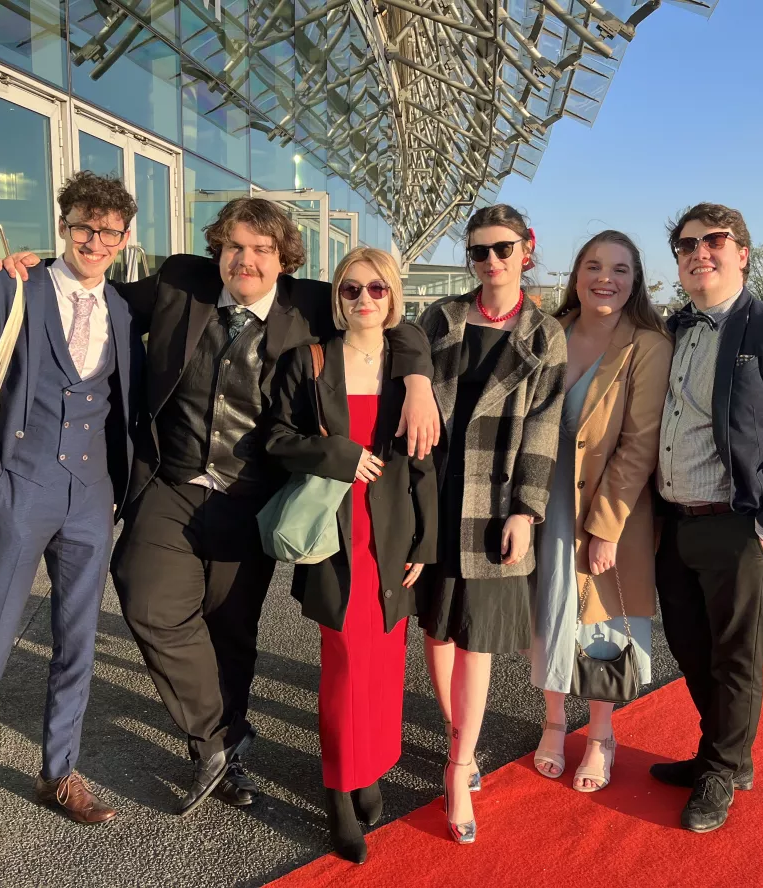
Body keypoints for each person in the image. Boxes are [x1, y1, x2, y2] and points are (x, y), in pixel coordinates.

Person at [0, 197, 439, 816]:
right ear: (217, 249)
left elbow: (390, 317)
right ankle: (220, 740)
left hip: (250, 497)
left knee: (231, 629)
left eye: (262, 249)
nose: (246, 260)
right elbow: (95, 289)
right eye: (234, 246)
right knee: (147, 598)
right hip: (171, 484)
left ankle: (219, 756)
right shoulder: (182, 281)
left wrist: (417, 380)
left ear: (283, 258)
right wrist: (38, 269)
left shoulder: (307, 303)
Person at [0, 172, 141, 888]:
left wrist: (113, 493)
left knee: (76, 644)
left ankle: (60, 773)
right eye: (85, 226)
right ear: (64, 225)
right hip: (18, 487)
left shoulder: (119, 307)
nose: (95, 240)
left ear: (122, 240)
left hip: (91, 498)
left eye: (109, 231)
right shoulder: (7, 287)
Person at [652, 203, 763, 833]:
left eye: (714, 241)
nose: (699, 252)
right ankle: (720, 748)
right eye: (686, 245)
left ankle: (724, 768)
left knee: (735, 655)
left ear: (742, 252)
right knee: (689, 645)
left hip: (741, 522)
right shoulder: (672, 330)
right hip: (675, 521)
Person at [266, 247, 438, 864]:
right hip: (336, 539)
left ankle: (370, 769)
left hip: (392, 535)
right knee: (343, 667)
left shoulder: (408, 367)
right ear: (336, 299)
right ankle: (340, 789)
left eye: (376, 290)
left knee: (386, 665)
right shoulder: (309, 362)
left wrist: (426, 543)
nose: (364, 300)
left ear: (393, 298)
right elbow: (277, 439)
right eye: (350, 290)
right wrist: (336, 453)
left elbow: (424, 463)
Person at [416, 204, 566, 844]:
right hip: (431, 495)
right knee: (437, 630)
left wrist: (527, 511)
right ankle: (464, 742)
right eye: (479, 251)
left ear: (527, 248)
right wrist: (419, 385)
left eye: (503, 248)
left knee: (475, 636)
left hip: (493, 500)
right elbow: (404, 372)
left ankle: (456, 767)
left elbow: (544, 427)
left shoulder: (543, 334)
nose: (491, 262)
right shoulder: (440, 318)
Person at [530, 231, 672, 790]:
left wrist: (606, 527)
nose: (604, 277)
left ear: (635, 280)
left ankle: (600, 734)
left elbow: (639, 443)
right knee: (549, 613)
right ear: (576, 274)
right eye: (593, 265)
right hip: (543, 499)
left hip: (606, 503)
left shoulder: (647, 345)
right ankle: (551, 721)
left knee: (603, 622)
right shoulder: (550, 332)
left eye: (619, 268)